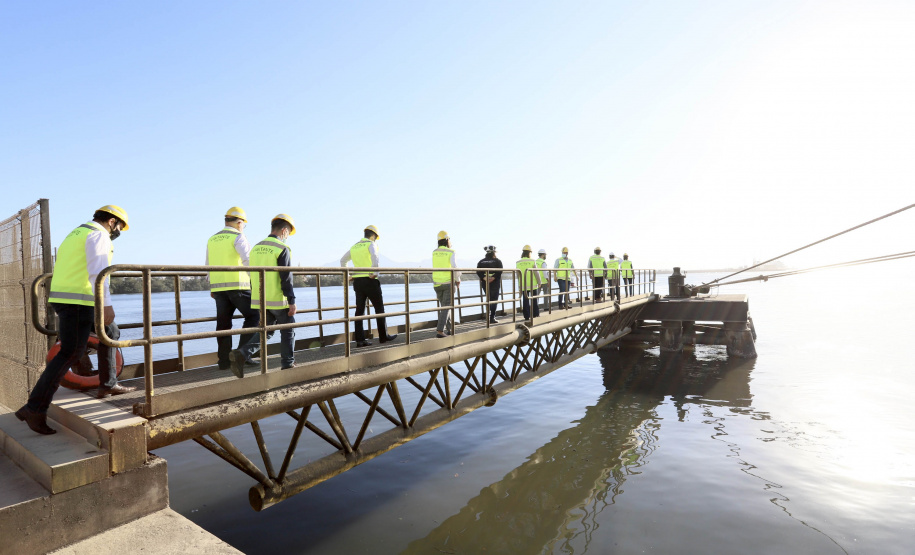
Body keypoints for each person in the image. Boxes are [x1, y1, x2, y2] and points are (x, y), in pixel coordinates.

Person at [16, 205, 136, 435]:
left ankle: (108, 384)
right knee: (70, 353)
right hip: (79, 301)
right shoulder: (99, 235)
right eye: (120, 227)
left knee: (110, 332)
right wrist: (106, 304)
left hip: (68, 299)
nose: (118, 231)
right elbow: (99, 273)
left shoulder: (77, 233)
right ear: (112, 222)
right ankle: (34, 408)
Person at [242, 214, 298, 377]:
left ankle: (242, 353)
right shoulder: (282, 248)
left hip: (260, 299)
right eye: (288, 233)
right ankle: (287, 364)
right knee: (288, 329)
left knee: (267, 331)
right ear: (284, 231)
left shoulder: (256, 248)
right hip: (278, 300)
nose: (287, 236)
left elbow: (252, 275)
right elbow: (286, 277)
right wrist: (291, 300)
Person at [207, 207, 259, 372]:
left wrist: (212, 286)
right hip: (239, 286)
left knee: (223, 325)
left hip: (219, 289)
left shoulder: (212, 239)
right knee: (255, 316)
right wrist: (257, 282)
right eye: (244, 224)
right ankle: (242, 355)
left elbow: (207, 265)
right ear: (239, 223)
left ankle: (224, 361)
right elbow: (248, 261)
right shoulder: (238, 237)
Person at [340, 225, 397, 347]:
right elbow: (375, 257)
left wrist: (348, 276)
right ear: (373, 236)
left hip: (358, 282)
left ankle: (360, 340)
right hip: (370, 281)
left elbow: (343, 260)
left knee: (359, 311)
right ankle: (383, 337)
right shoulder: (371, 244)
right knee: (379, 309)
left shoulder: (354, 246)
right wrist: (375, 273)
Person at [432, 231, 460, 338]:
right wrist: (458, 279)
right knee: (446, 307)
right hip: (448, 283)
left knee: (444, 307)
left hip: (437, 284)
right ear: (447, 239)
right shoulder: (451, 251)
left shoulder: (434, 252)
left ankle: (450, 329)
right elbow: (454, 266)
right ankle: (440, 331)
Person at [477, 245, 503, 323]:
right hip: (495, 283)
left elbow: (478, 271)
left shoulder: (481, 262)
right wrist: (493, 278)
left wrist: (484, 278)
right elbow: (500, 271)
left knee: (488, 299)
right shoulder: (497, 261)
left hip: (485, 283)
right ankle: (492, 317)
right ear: (494, 253)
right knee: (494, 300)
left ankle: (487, 317)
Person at [516, 245, 542, 319]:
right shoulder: (532, 261)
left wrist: (519, 285)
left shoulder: (518, 262)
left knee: (525, 300)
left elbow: (517, 275)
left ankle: (526, 316)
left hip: (523, 284)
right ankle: (535, 314)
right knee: (534, 299)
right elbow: (536, 273)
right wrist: (539, 282)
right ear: (529, 253)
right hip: (532, 284)